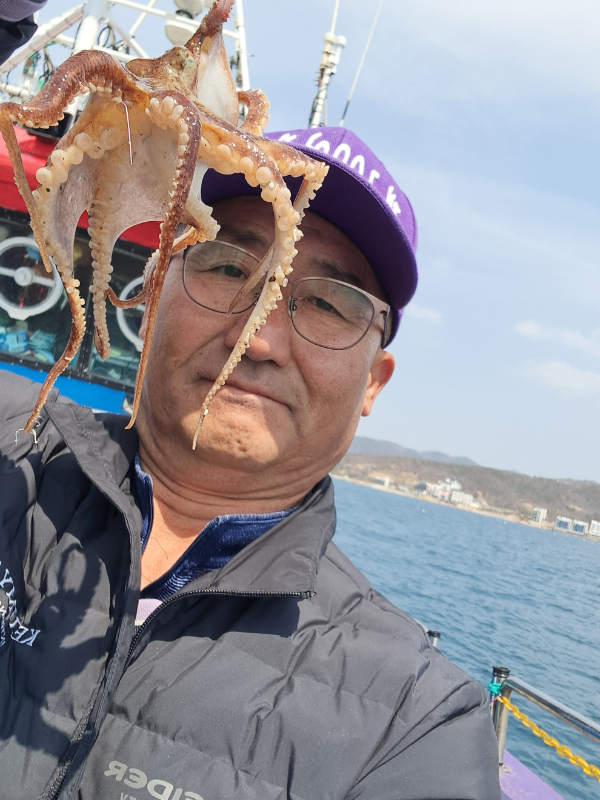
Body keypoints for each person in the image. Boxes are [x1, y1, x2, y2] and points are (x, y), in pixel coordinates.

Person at [0, 126, 501, 799]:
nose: (257, 338)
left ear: (373, 385)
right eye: (228, 267)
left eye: (328, 304)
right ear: (151, 297)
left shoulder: (416, 724)